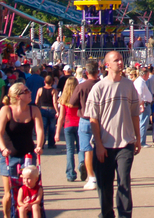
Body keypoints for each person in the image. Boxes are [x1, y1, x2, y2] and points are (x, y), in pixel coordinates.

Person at [86, 50, 141, 218]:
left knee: (124, 182)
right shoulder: (98, 87)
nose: (120, 62)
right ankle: (107, 214)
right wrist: (99, 145)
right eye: (116, 60)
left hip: (125, 143)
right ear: (107, 64)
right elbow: (93, 119)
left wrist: (137, 139)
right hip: (105, 144)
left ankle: (125, 215)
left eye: (121, 60)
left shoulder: (129, 85)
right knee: (105, 185)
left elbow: (134, 114)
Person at [0, 82, 44, 218]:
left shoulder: (33, 110)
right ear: (18, 96)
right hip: (9, 156)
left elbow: (39, 130)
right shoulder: (6, 110)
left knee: (30, 189)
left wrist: (39, 145)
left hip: (28, 155)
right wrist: (3, 148)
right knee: (9, 192)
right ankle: (7, 215)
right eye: (26, 91)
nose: (30, 93)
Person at [69, 59, 101, 191]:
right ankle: (101, 175)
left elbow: (71, 103)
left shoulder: (81, 87)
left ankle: (92, 178)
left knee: (87, 150)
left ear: (86, 72)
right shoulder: (102, 85)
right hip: (101, 120)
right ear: (98, 72)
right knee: (101, 147)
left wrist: (81, 106)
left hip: (86, 119)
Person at [55, 76, 81, 182]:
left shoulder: (64, 99)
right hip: (79, 124)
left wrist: (57, 133)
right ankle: (82, 164)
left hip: (68, 124)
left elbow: (61, 116)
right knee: (81, 148)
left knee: (70, 150)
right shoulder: (79, 97)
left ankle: (70, 173)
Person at [35, 75, 58, 149]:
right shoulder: (53, 90)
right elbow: (55, 102)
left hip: (42, 109)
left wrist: (38, 107)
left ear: (44, 82)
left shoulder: (40, 90)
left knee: (43, 127)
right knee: (52, 128)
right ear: (52, 82)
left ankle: (41, 143)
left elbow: (36, 101)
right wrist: (57, 111)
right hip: (51, 110)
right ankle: (51, 144)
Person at [133, 68, 153, 149]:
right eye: (148, 75)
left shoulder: (141, 82)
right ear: (144, 75)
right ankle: (141, 141)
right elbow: (139, 94)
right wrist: (141, 104)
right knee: (143, 123)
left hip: (145, 103)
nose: (148, 77)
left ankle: (142, 140)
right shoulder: (140, 82)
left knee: (144, 122)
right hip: (144, 104)